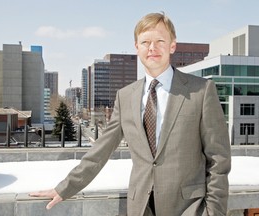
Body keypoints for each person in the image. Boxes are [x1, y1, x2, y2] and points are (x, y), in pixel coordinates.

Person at [30, 12, 231, 216]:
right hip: (140, 208)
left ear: (172, 45)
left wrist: (213, 212)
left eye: (160, 41)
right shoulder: (125, 96)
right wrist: (65, 187)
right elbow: (101, 150)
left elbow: (219, 158)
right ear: (137, 47)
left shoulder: (201, 91)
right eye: (145, 42)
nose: (152, 48)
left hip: (189, 208)